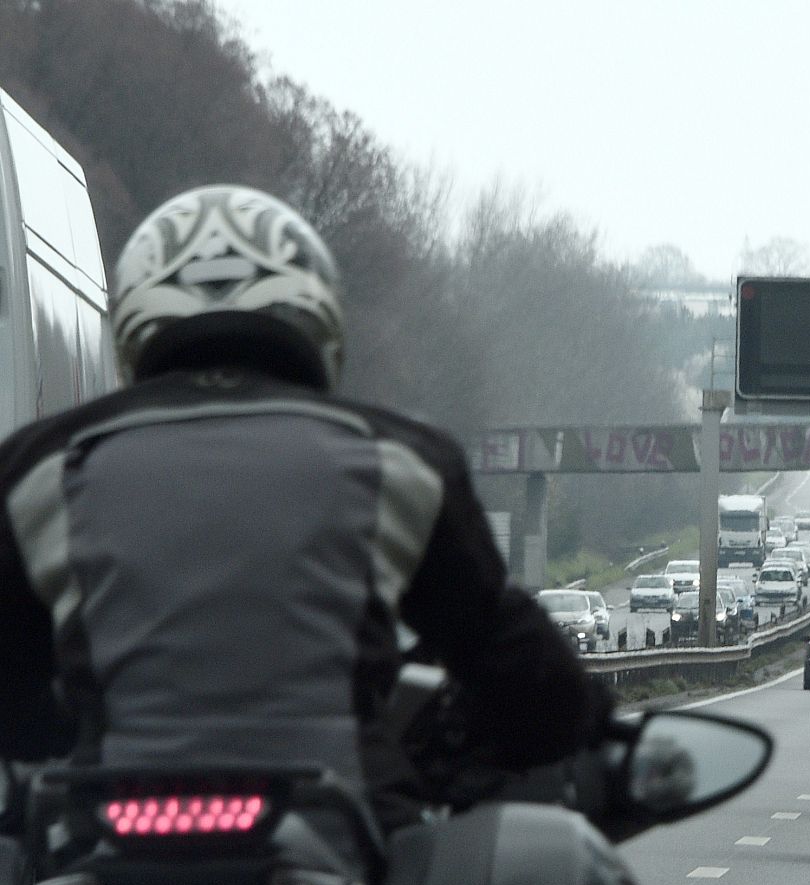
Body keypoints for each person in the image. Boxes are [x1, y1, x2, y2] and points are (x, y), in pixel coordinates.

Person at [0, 184, 613, 832]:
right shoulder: (400, 461)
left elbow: (10, 690)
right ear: (320, 325)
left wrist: (70, 730)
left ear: (131, 327)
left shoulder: (38, 469)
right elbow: (521, 674)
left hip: (100, 853)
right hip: (342, 844)